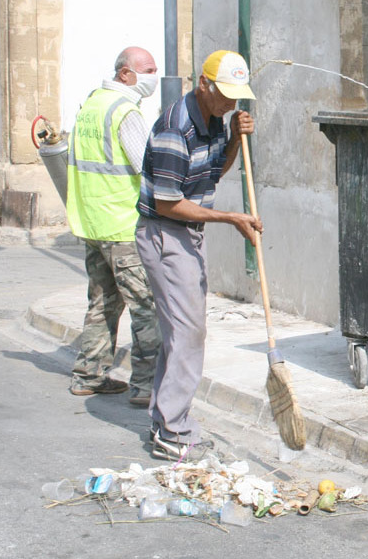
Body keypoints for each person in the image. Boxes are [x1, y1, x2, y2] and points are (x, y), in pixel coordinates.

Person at [135, 50, 262, 461]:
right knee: (189, 332)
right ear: (203, 84)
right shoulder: (176, 127)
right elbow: (169, 202)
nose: (231, 103)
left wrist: (235, 142)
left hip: (187, 234)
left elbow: (212, 174)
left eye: (236, 97)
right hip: (166, 234)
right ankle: (174, 430)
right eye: (224, 94)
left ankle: (164, 419)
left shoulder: (214, 120)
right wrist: (230, 217)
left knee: (181, 331)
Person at [65, 47, 161, 407]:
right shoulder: (125, 112)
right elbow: (144, 168)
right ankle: (146, 387)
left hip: (92, 223)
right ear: (125, 74)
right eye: (148, 70)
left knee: (102, 303)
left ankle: (88, 375)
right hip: (123, 227)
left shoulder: (91, 104)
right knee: (146, 308)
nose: (154, 75)